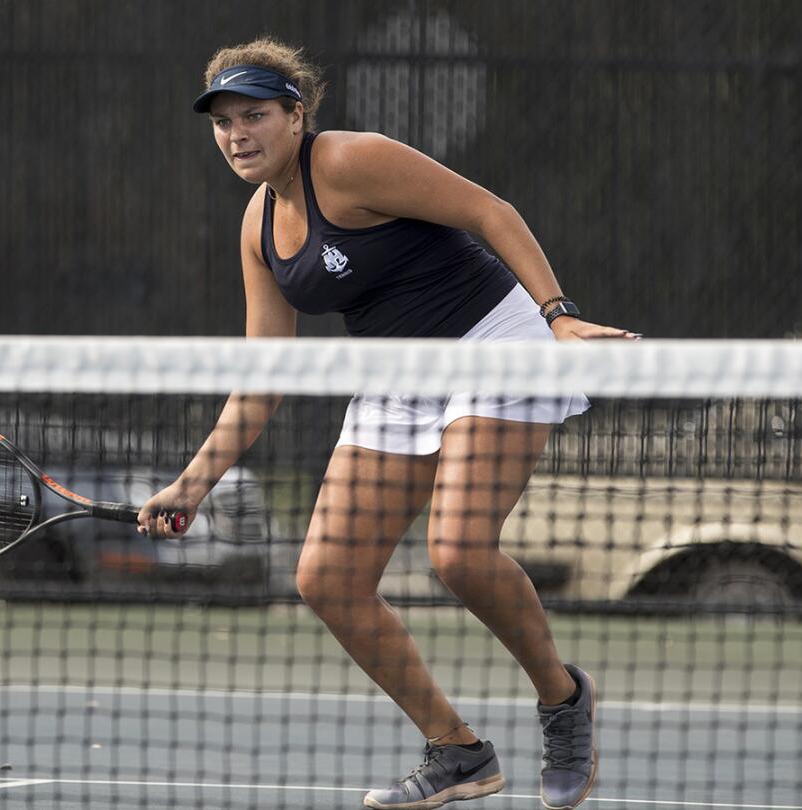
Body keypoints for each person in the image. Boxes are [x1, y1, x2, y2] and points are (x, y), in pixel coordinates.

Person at [139, 38, 635, 810]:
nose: (237, 134)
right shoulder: (258, 228)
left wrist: (559, 316)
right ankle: (458, 751)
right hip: (399, 377)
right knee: (326, 579)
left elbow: (487, 210)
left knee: (460, 552)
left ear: (296, 115)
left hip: (494, 343)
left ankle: (563, 697)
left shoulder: (346, 161)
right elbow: (266, 375)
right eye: (224, 122)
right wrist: (193, 484)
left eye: (255, 115)